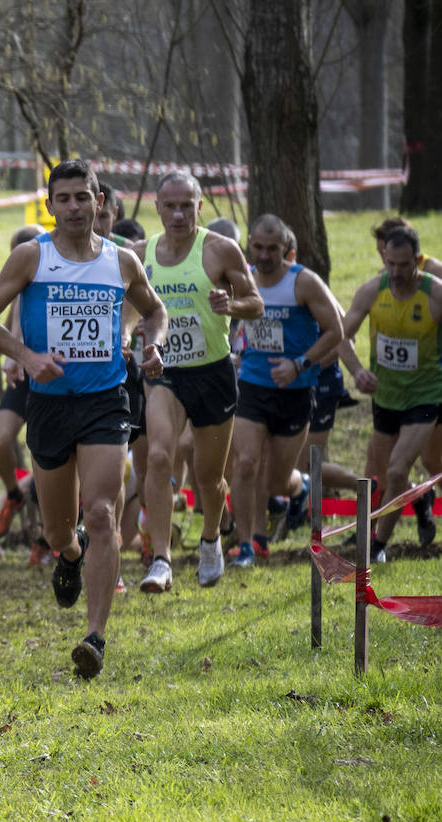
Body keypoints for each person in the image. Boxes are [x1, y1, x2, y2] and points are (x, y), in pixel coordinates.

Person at [0, 159, 167, 677]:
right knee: (62, 529)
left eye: (84, 197)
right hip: (50, 402)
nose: (75, 208)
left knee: (103, 512)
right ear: (50, 205)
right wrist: (28, 357)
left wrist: (153, 344)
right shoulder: (30, 257)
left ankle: (96, 637)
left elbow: (155, 311)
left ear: (99, 201)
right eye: (64, 199)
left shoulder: (122, 261)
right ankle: (68, 555)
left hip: (106, 399)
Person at [135, 171, 263, 591]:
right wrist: (129, 338)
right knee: (157, 457)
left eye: (185, 205)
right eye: (169, 206)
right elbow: (128, 309)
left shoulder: (220, 250)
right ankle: (161, 560)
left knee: (209, 478)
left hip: (212, 372)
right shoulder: (142, 254)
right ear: (157, 207)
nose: (177, 214)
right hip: (164, 372)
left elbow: (256, 304)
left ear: (199, 206)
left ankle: (210, 538)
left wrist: (232, 304)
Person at [228, 215, 343, 567]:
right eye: (258, 247)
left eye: (272, 249)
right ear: (250, 245)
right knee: (245, 463)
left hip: (295, 391)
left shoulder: (303, 283)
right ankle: (246, 545)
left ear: (286, 250)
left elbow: (336, 331)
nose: (264, 256)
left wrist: (299, 364)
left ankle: (300, 487)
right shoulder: (242, 277)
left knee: (275, 480)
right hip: (252, 385)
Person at [337, 225, 442, 562]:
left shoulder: (435, 294)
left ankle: (378, 546)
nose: (395, 273)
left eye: (403, 265)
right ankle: (419, 500)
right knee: (383, 476)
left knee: (397, 471)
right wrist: (356, 371)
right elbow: (341, 336)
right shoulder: (371, 291)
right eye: (390, 264)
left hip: (426, 396)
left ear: (417, 261)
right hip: (385, 398)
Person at [0, 224, 46, 553]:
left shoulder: (52, 280)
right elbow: (1, 330)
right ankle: (13, 495)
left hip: (47, 377)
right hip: (21, 377)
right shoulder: (13, 287)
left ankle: (44, 540)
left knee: (44, 457)